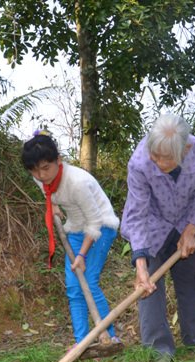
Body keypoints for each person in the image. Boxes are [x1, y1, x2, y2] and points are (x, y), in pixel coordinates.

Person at [120, 114, 195, 362]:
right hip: (152, 224)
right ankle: (159, 350)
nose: (160, 162)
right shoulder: (140, 162)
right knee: (149, 289)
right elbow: (138, 213)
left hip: (188, 221)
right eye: (156, 155)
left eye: (167, 157)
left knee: (194, 281)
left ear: (185, 149)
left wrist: (191, 230)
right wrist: (140, 263)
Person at [21, 131, 121, 348]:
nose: (41, 175)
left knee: (89, 282)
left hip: (101, 227)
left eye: (46, 168)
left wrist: (82, 255)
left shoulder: (77, 182)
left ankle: (110, 337)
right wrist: (54, 204)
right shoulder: (40, 177)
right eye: (35, 171)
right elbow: (47, 190)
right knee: (74, 288)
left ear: (58, 161)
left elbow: (94, 223)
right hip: (75, 229)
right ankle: (82, 342)